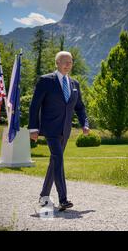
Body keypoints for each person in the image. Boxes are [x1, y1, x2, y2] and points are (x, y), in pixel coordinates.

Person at [29, 51, 89, 211]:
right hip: (50, 129)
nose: (68, 64)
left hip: (65, 130)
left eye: (70, 62)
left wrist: (85, 123)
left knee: (54, 162)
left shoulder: (75, 84)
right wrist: (33, 128)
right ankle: (63, 199)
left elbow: (80, 107)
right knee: (58, 158)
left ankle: (44, 196)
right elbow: (35, 105)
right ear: (57, 63)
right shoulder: (46, 81)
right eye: (65, 61)